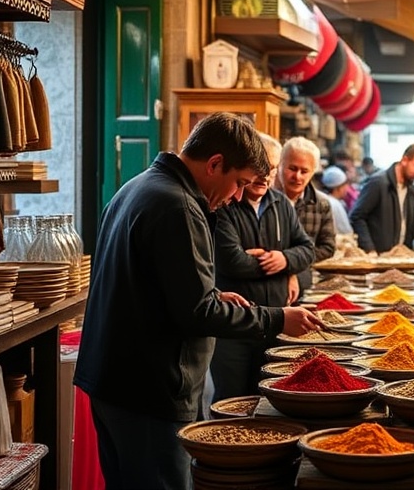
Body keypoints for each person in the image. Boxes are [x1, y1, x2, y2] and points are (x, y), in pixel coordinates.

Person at [73, 113, 322, 490]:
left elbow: (146, 282)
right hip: (149, 389)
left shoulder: (138, 186)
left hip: (114, 381)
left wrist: (212, 293)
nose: (237, 196)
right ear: (215, 164)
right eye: (239, 183)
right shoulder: (179, 206)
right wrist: (277, 318)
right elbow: (198, 314)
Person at [210, 134, 315, 399]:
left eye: (273, 168)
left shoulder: (282, 204)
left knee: (269, 399)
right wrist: (276, 265)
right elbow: (232, 262)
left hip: (276, 325)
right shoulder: (225, 204)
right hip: (235, 327)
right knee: (232, 400)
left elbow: (307, 249)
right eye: (260, 167)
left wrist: (285, 260)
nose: (265, 176)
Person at [350, 143, 414, 253]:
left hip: (401, 256)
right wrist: (370, 249)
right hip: (379, 257)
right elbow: (357, 217)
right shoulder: (378, 183)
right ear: (405, 160)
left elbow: (411, 222)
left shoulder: (411, 189)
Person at [277, 137, 335, 293]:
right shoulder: (264, 199)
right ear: (280, 164)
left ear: (313, 172)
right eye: (292, 168)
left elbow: (328, 247)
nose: (297, 176)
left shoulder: (321, 204)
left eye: (304, 171)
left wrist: (291, 261)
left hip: (303, 281)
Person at [320, 165, 354, 235]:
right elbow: (346, 231)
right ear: (338, 188)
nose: (347, 188)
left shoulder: (323, 200)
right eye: (345, 185)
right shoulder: (335, 204)